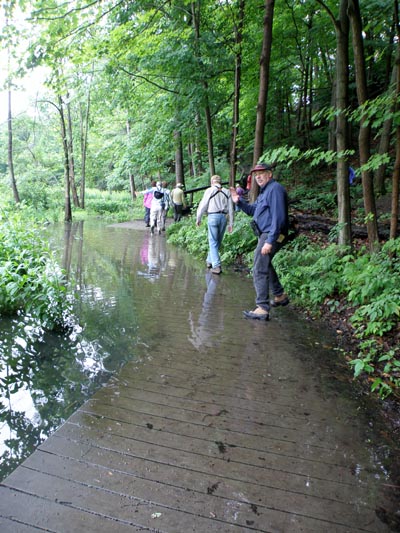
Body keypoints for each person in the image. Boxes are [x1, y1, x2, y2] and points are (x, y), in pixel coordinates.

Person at [230, 162, 289, 320]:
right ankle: (279, 295)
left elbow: (279, 217)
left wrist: (270, 240)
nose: (258, 177)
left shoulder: (275, 189)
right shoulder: (265, 192)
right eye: (256, 174)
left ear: (269, 174)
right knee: (265, 264)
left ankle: (262, 307)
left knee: (258, 268)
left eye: (262, 173)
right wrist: (238, 201)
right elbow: (253, 210)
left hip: (271, 233)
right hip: (266, 233)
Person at [196, 174, 234, 275]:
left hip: (213, 216)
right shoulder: (227, 191)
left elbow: (203, 205)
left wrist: (198, 218)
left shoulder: (209, 190)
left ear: (212, 182)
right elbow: (231, 209)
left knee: (213, 241)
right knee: (217, 241)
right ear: (220, 182)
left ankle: (216, 266)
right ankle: (209, 260)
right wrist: (231, 223)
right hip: (223, 218)